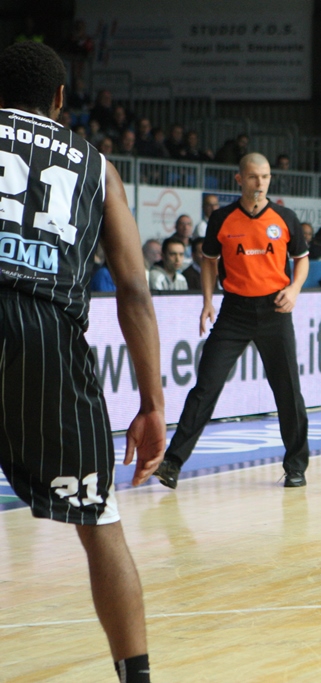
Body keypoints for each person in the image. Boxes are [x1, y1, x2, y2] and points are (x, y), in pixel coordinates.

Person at [0, 41, 165, 683]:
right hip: (48, 337)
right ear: (62, 100)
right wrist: (151, 404)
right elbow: (134, 290)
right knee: (101, 524)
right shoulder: (96, 167)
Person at [153, 154, 311, 490]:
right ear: (239, 180)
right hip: (234, 311)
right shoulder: (222, 219)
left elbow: (302, 260)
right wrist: (208, 301)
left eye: (266, 177)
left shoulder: (285, 217)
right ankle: (173, 462)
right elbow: (209, 262)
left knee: (288, 392)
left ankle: (296, 465)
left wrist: (295, 289)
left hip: (275, 311)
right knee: (205, 387)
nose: (260, 183)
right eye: (254, 177)